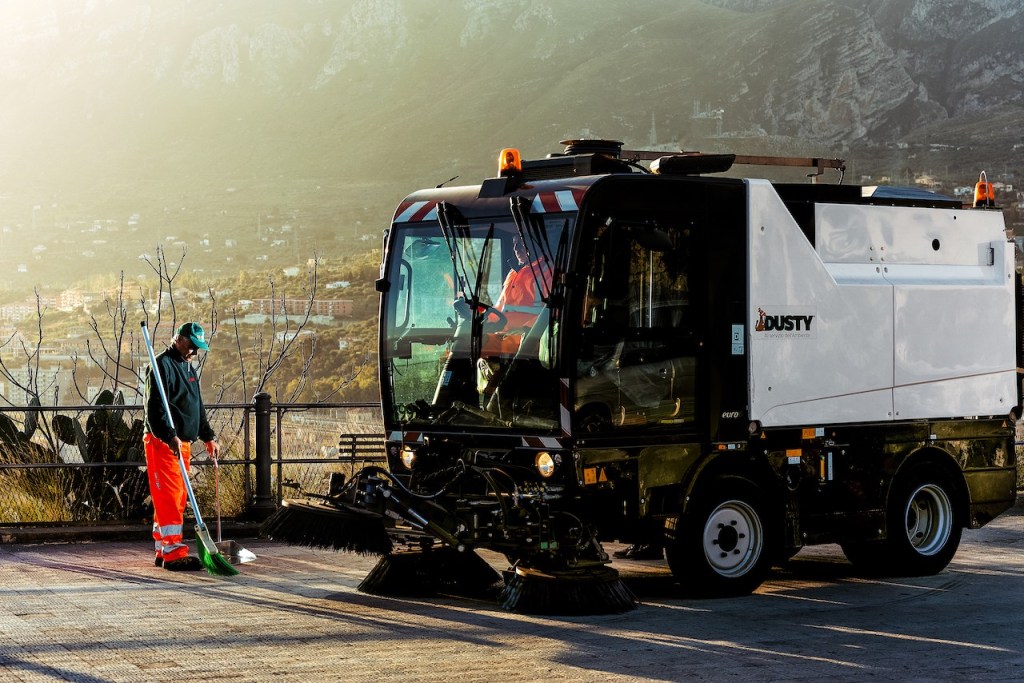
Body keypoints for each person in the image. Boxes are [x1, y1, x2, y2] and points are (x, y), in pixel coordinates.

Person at [143, 322, 220, 571]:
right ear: (179, 339)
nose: (195, 352)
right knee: (169, 496)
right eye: (192, 346)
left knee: (176, 496)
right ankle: (174, 552)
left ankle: (163, 549)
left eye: (198, 348)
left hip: (183, 443)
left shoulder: (189, 368)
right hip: (163, 443)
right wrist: (169, 435)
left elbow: (197, 406)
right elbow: (154, 408)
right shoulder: (160, 365)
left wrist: (208, 436)